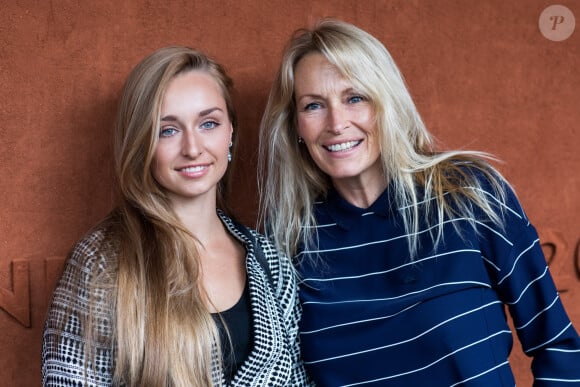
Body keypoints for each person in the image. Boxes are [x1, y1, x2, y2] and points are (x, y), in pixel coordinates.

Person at [258, 19, 580, 386]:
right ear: (295, 126)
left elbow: (560, 348)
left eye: (355, 98)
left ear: (386, 102)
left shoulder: (468, 195)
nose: (336, 122)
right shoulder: (288, 238)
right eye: (314, 105)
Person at [42, 46, 311, 386]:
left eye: (208, 123)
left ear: (231, 131)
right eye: (167, 130)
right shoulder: (102, 262)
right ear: (141, 143)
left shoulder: (269, 261)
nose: (193, 148)